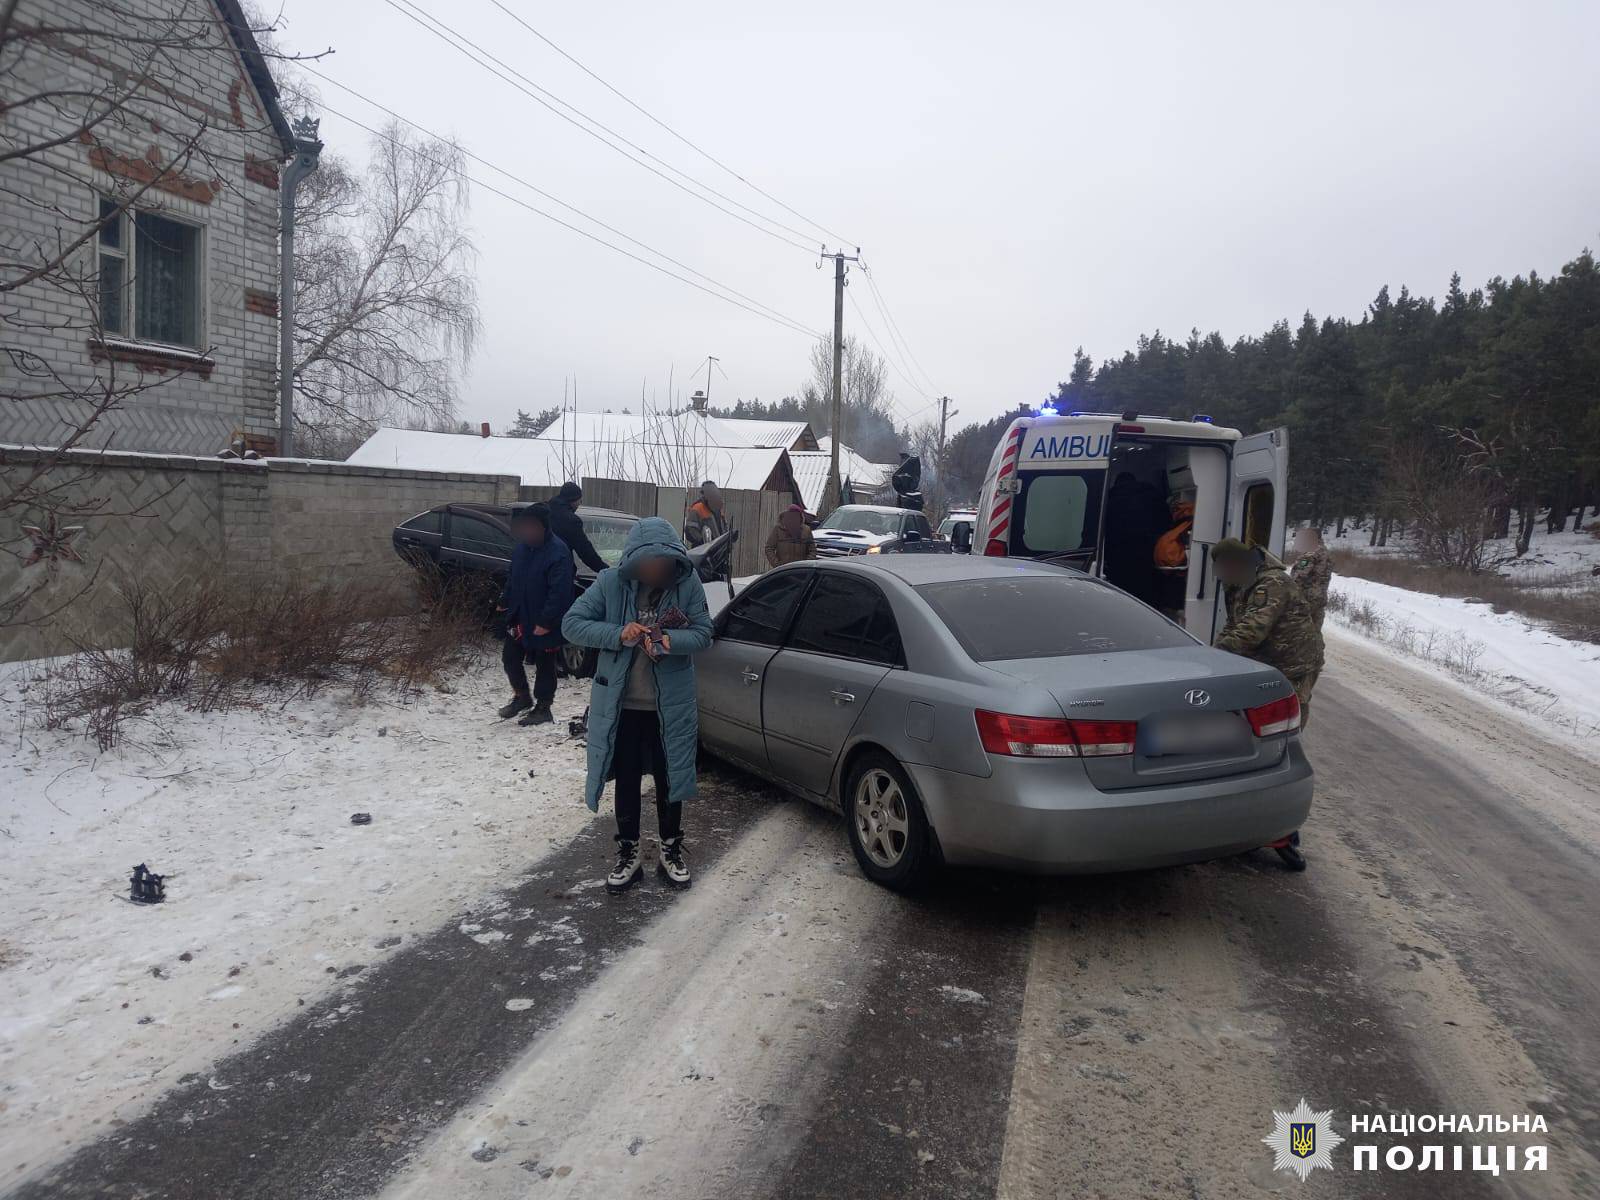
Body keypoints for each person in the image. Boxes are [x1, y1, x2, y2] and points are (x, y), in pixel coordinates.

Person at [561, 517, 714, 893]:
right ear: (633, 560)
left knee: (671, 779)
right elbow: (572, 624)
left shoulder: (686, 582)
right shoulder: (610, 583)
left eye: (662, 563)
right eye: (648, 563)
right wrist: (618, 633)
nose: (655, 570)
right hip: (622, 706)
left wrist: (670, 642)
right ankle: (627, 853)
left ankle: (670, 850)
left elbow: (704, 633)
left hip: (670, 707)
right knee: (626, 780)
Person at [1211, 537, 1325, 726]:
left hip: (1295, 661)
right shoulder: (1239, 582)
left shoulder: (1272, 582)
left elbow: (1253, 629)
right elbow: (1233, 624)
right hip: (1270, 658)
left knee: (1291, 711)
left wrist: (1217, 654)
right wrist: (1213, 651)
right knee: (1264, 711)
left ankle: (1291, 748)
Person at [497, 503, 575, 726]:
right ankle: (522, 697)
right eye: (525, 528)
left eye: (532, 527)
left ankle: (543, 707)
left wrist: (547, 621)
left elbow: (560, 592)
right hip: (521, 616)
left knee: (545, 664)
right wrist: (505, 600)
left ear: (543, 527)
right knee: (510, 658)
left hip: (545, 619)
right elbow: (513, 578)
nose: (528, 532)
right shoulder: (522, 549)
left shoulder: (558, 552)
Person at [1102, 471, 1169, 606]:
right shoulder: (1153, 496)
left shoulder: (1109, 498)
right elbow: (1166, 524)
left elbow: (1100, 529)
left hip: (1117, 556)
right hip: (1146, 556)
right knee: (1144, 599)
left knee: (1120, 597)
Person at [546, 481, 608, 573]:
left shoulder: (542, 511)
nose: (579, 504)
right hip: (556, 573)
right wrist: (606, 571)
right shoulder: (571, 521)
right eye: (580, 500)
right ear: (574, 500)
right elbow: (586, 552)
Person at [1289, 526, 1333, 631]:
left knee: (1298, 631)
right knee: (1315, 631)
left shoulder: (1310, 552)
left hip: (1307, 598)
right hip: (1320, 597)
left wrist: (1289, 592)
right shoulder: (1326, 552)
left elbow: (1299, 575)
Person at [764, 503, 817, 567]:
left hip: (800, 571)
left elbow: (812, 550)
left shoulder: (806, 530)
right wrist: (777, 564)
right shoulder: (778, 529)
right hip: (782, 571)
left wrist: (806, 565)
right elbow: (769, 548)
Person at [683, 481, 727, 548]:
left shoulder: (718, 509)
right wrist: (702, 541)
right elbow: (690, 530)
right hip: (702, 551)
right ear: (703, 493)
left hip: (719, 551)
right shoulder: (697, 508)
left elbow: (724, 528)